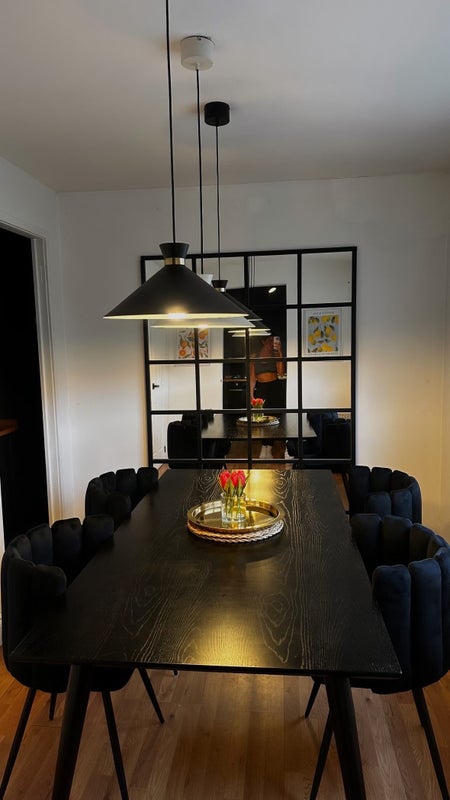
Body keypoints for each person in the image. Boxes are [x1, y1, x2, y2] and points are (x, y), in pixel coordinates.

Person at [249, 334, 286, 459]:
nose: (271, 343)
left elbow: (281, 373)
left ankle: (269, 447)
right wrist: (251, 396)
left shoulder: (275, 356)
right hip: (261, 388)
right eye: (269, 340)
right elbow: (252, 379)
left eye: (273, 340)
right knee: (262, 418)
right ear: (263, 341)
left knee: (274, 417)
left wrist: (280, 353)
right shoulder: (255, 357)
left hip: (275, 388)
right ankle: (264, 446)